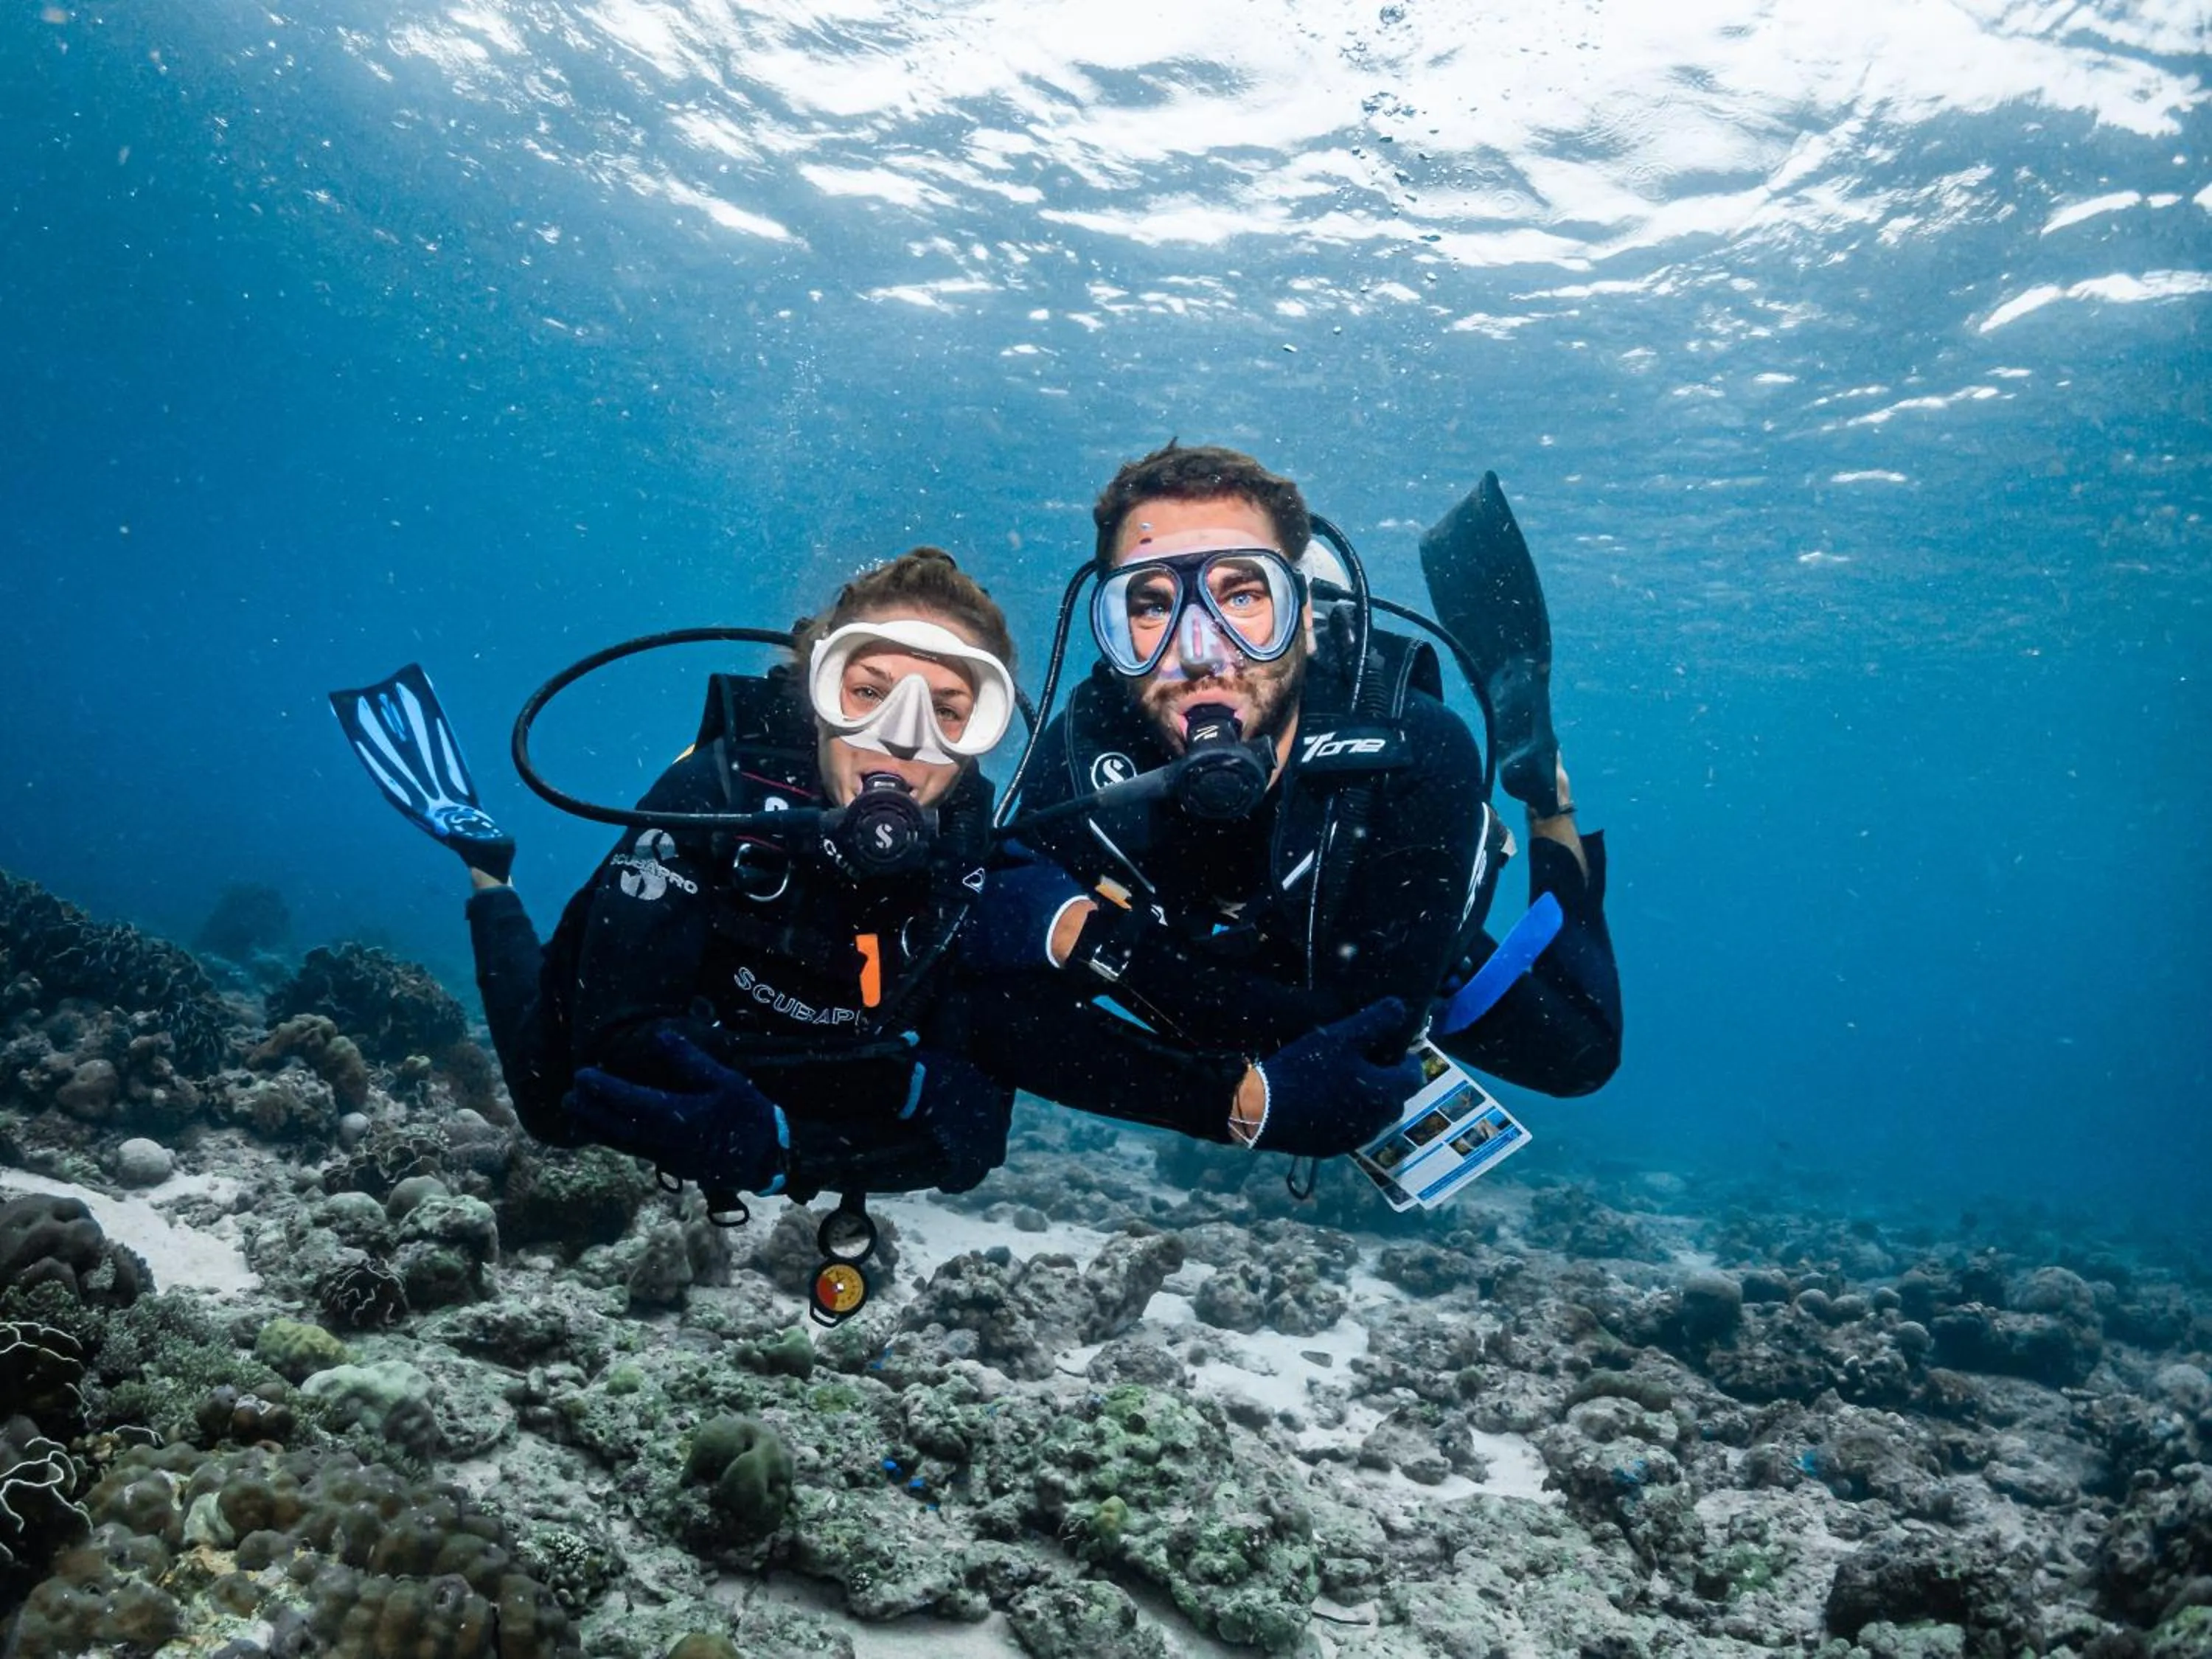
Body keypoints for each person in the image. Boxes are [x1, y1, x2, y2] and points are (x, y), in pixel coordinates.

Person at [962, 442, 1621, 1161]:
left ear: (1302, 619)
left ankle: (1544, 787)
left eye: (1242, 596)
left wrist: (1088, 939)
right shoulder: (1076, 762)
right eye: (1150, 605)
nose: (1200, 650)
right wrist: (1233, 1101)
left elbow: (1368, 1028)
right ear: (1111, 633)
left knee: (1581, 1061)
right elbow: (985, 1012)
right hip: (1213, 953)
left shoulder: (1416, 746)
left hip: (1370, 923)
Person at [331, 548, 1023, 1204]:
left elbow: (971, 1137)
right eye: (868, 691)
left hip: (731, 1053)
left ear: (979, 732)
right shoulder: (711, 795)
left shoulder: (972, 859)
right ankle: (488, 870)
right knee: (555, 1109)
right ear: (819, 696)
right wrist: (887, 1086)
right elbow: (611, 1044)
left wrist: (785, 1155)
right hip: (688, 995)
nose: (900, 736)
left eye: (947, 710)